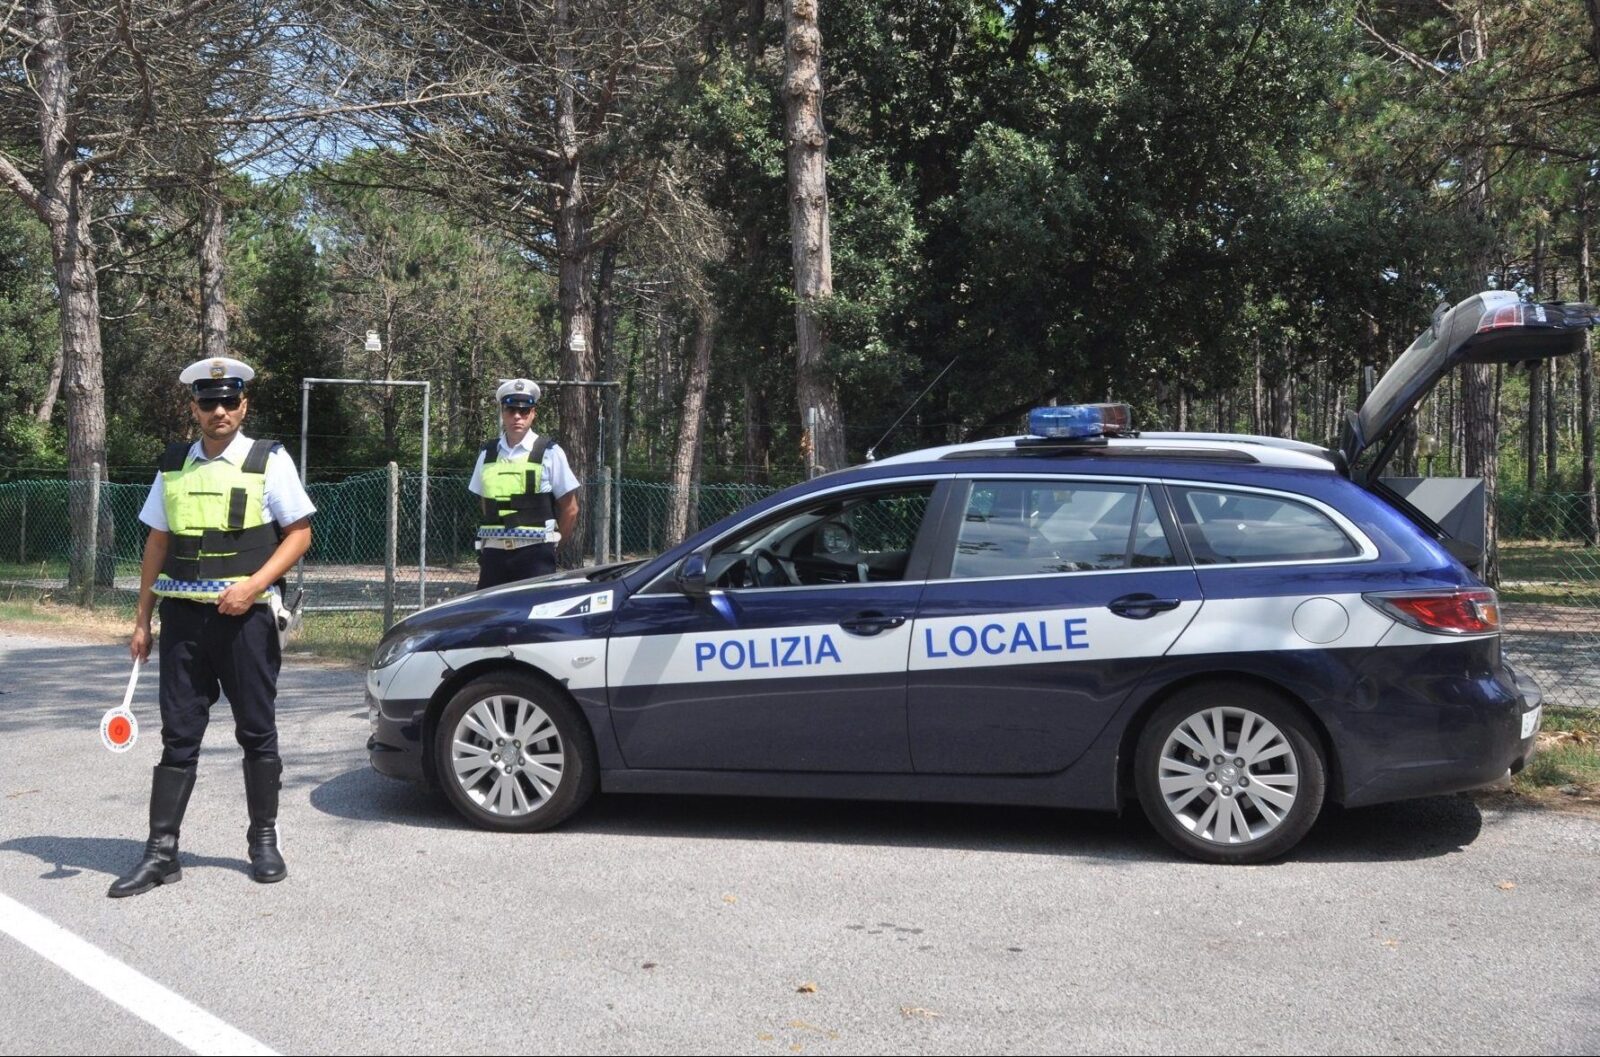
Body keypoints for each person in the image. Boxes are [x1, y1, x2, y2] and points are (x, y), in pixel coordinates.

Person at [109, 356, 315, 898]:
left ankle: (263, 841)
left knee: (256, 730)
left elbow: (299, 534)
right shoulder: (174, 465)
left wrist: (253, 586)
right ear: (195, 407)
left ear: (243, 405)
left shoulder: (268, 461)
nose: (218, 411)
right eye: (208, 402)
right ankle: (161, 853)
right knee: (178, 735)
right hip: (183, 620)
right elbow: (157, 541)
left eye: (228, 401)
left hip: (247, 620)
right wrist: (141, 620)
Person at [467, 378, 580, 589]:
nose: (517, 416)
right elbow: (485, 502)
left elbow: (570, 509)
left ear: (533, 413)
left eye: (524, 411)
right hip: (493, 555)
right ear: (503, 412)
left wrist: (553, 548)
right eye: (511, 410)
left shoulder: (550, 453)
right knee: (490, 610)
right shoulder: (487, 454)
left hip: (536, 555)